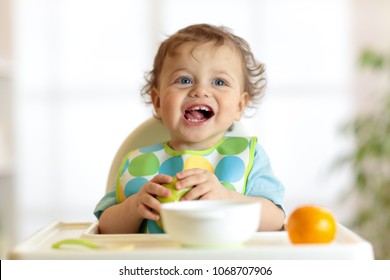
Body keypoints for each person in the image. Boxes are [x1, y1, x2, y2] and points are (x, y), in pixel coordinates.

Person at [94, 23, 285, 234]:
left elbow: (275, 221)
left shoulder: (249, 156)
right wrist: (135, 206)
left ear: (240, 106)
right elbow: (104, 229)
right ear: (157, 101)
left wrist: (227, 197)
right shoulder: (138, 162)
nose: (201, 90)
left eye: (219, 82)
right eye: (184, 80)